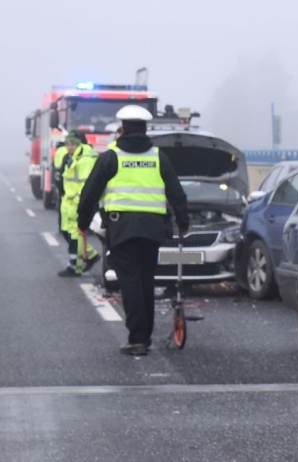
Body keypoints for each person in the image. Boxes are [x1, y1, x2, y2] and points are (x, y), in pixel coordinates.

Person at [77, 105, 189, 356]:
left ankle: (138, 339)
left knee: (130, 283)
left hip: (122, 230)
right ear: (145, 128)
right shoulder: (158, 157)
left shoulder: (111, 156)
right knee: (145, 281)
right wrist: (183, 223)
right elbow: (176, 193)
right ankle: (143, 335)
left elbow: (90, 193)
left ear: (122, 128)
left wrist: (82, 222)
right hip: (152, 231)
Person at [57, 130, 100, 277]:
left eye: (72, 144)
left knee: (76, 235)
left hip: (76, 203)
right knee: (65, 231)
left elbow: (85, 184)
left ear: (78, 144)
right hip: (67, 201)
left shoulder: (86, 160)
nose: (69, 147)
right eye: (67, 144)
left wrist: (80, 202)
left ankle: (75, 266)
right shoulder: (70, 157)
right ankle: (90, 255)